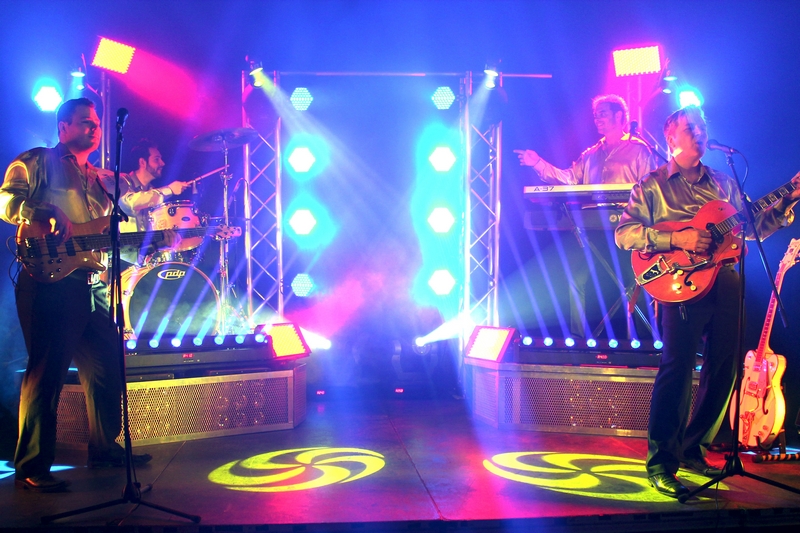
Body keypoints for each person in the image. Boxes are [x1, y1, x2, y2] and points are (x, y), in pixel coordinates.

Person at [615, 105, 800, 498]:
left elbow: (753, 227)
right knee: (678, 369)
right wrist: (676, 238)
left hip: (725, 280)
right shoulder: (652, 185)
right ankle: (661, 463)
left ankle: (693, 447)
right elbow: (625, 233)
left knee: (725, 368)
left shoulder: (724, 182)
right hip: (678, 282)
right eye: (689, 127)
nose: (698, 131)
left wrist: (788, 199)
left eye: (701, 125)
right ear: (671, 137)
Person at [0, 98, 174, 492]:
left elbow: (101, 237)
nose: (94, 128)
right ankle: (31, 466)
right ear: (63, 127)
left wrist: (153, 245)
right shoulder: (36, 161)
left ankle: (105, 448)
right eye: (85, 122)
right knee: (47, 372)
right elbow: (5, 201)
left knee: (107, 362)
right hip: (49, 279)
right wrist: (41, 211)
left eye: (96, 123)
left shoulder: (99, 180)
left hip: (91, 283)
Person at [513, 94, 656, 337]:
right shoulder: (591, 154)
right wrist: (538, 163)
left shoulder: (639, 150)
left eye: (603, 114)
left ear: (619, 116)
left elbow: (651, 190)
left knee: (636, 282)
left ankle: (645, 341)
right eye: (595, 115)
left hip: (629, 227)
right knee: (575, 277)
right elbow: (569, 179)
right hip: (593, 226)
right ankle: (579, 340)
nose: (597, 118)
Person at [107, 139, 189, 264]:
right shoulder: (121, 182)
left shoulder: (153, 194)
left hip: (143, 263)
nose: (162, 163)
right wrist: (169, 190)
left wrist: (163, 242)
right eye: (156, 159)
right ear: (142, 162)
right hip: (119, 261)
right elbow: (129, 204)